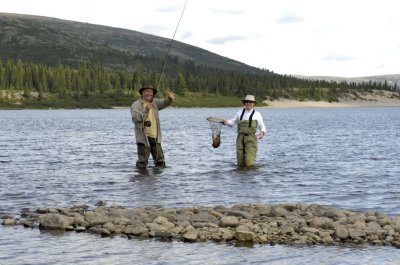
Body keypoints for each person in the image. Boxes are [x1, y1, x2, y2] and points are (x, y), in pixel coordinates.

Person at [130, 84, 175, 169]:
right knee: (142, 163)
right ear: (142, 92)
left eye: (151, 92)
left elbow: (165, 103)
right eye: (147, 91)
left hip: (155, 136)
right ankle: (141, 179)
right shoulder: (136, 105)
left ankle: (159, 181)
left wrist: (170, 98)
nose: (149, 93)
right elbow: (135, 119)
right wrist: (145, 110)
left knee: (160, 162)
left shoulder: (155, 102)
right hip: (143, 138)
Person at [224, 95, 266, 167]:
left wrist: (262, 132)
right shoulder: (239, 112)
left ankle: (249, 175)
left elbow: (262, 125)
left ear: (253, 104)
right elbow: (233, 122)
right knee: (240, 160)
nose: (248, 103)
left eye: (250, 102)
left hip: (251, 138)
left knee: (249, 161)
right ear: (244, 103)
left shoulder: (257, 114)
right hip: (240, 138)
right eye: (246, 102)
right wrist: (227, 122)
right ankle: (241, 174)